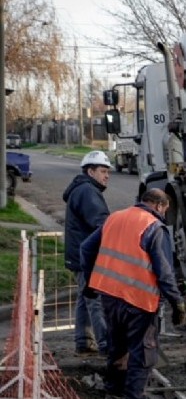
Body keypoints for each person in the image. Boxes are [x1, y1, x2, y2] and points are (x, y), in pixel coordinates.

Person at [80, 189, 186, 399]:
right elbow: (164, 271)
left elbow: (86, 248)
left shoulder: (115, 217)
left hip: (110, 295)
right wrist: (177, 302)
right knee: (142, 353)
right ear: (159, 205)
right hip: (139, 301)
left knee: (118, 346)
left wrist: (89, 282)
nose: (165, 214)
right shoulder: (154, 228)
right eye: (166, 209)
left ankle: (113, 393)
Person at [63, 150, 112, 356]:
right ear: (90, 171)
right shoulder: (88, 192)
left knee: (85, 299)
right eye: (103, 171)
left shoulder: (83, 189)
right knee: (96, 301)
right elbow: (101, 223)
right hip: (87, 257)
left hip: (79, 255)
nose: (107, 175)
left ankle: (83, 340)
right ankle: (107, 345)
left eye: (107, 171)